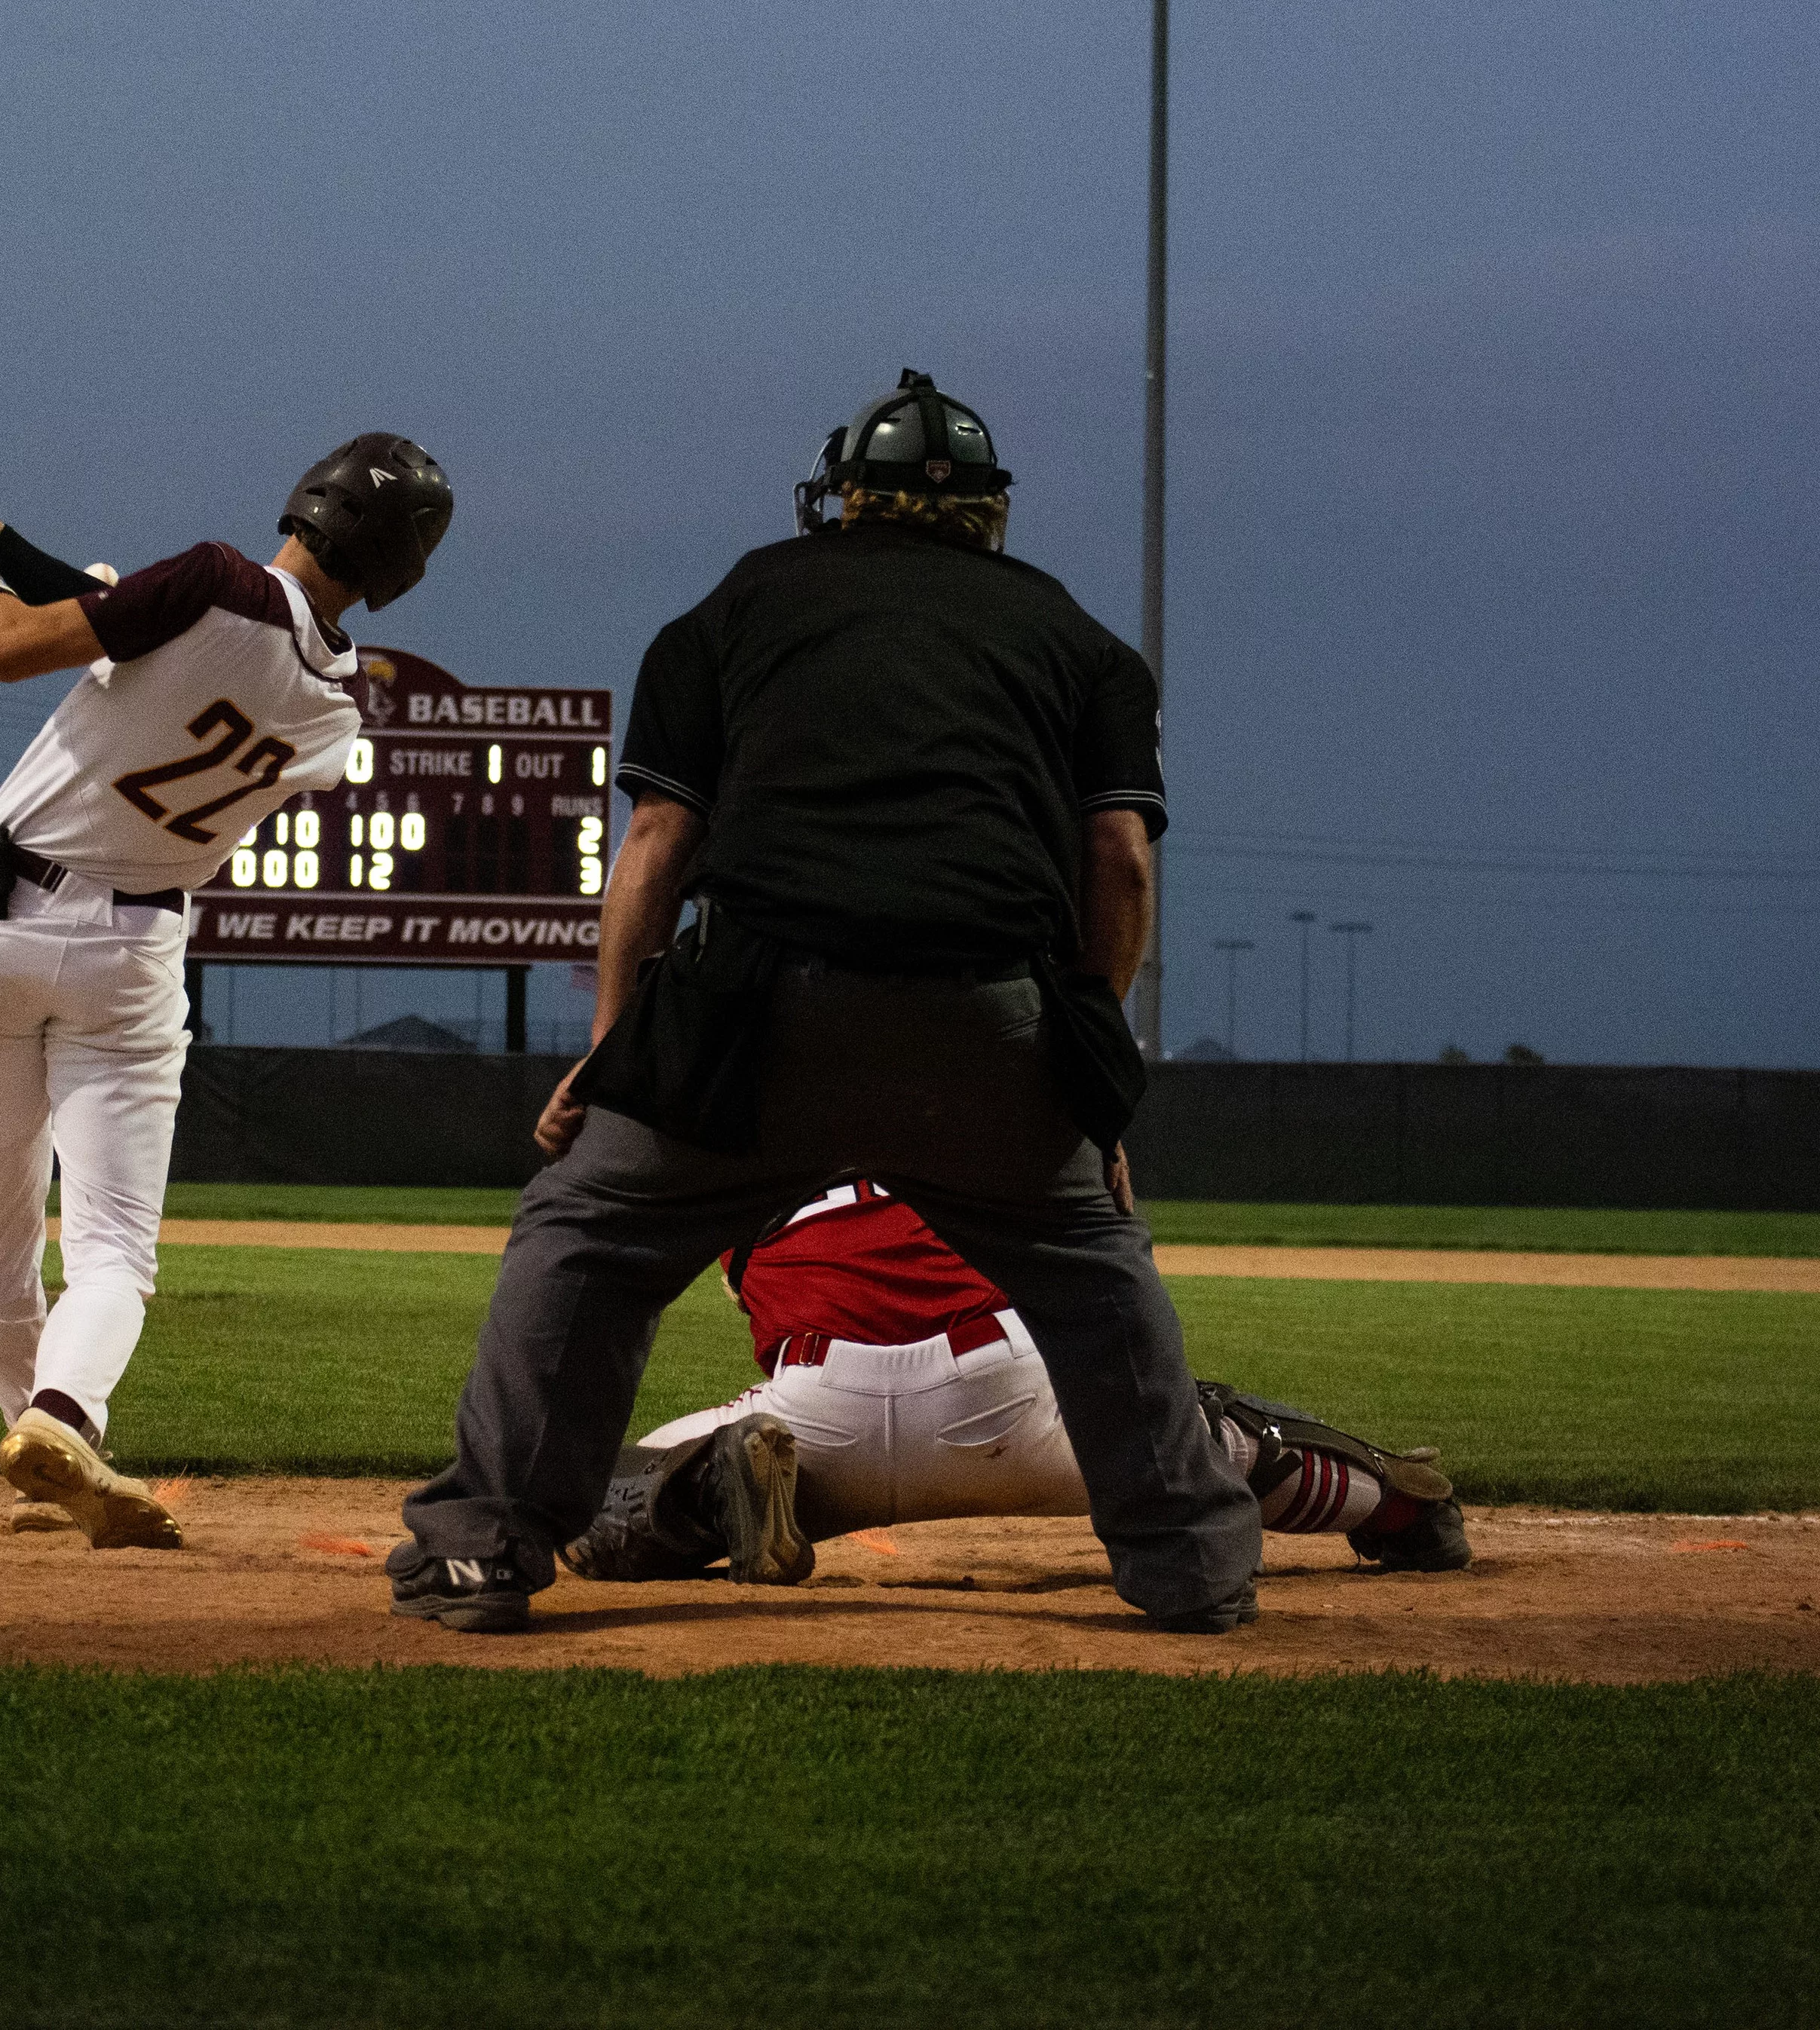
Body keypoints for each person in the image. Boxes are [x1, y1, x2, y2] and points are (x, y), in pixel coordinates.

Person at [389, 368, 1264, 1634]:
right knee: (1088, 1265)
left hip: (762, 1008)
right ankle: (1194, 1570)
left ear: (845, 497)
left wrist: (617, 1054)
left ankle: (483, 1551)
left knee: (589, 1233)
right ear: (989, 510)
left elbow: (656, 845)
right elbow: (1119, 863)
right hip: (990, 1010)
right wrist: (1079, 1063)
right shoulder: (1078, 638)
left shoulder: (742, 599)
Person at [0, 440, 451, 1549]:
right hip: (135, 957)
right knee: (115, 1249)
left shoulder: (208, 577)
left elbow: (4, 647)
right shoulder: (339, 715)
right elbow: (129, 614)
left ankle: (33, 1434)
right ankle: (62, 1419)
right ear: (396, 566)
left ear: (309, 495)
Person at [560, 1180, 1471, 1581]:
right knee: (1209, 1434)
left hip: (816, 1414)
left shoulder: (739, 1161)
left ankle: (712, 1489)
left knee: (604, 1498)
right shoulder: (970, 1123)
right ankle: (1401, 1508)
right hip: (1010, 1392)